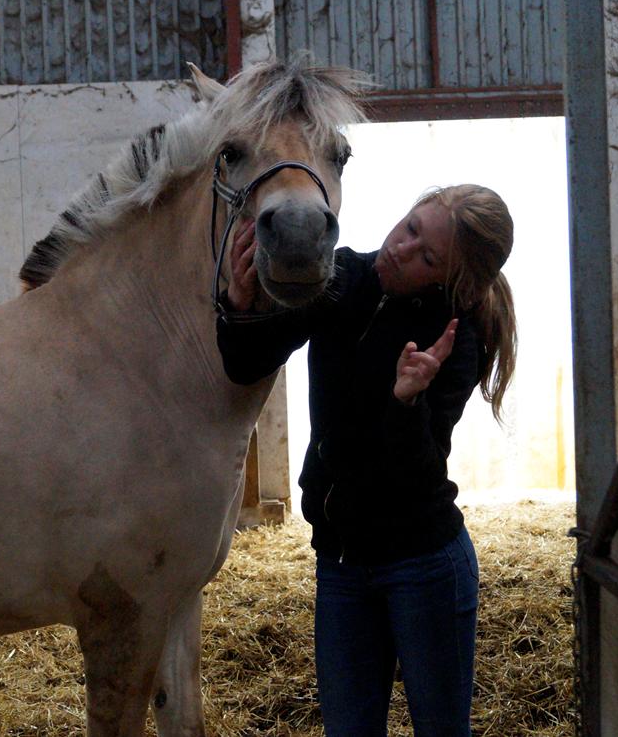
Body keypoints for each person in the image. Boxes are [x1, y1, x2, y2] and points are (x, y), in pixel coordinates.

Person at [216, 184, 517, 736]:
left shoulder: (454, 340)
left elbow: (416, 475)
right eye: (410, 228)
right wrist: (238, 305)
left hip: (422, 566)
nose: (401, 248)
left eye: (427, 258)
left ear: (452, 281)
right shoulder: (341, 279)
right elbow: (247, 363)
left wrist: (407, 402)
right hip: (341, 563)